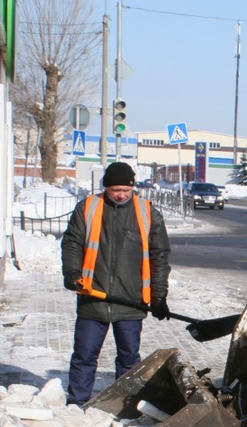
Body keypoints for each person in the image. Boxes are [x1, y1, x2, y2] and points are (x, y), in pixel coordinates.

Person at [61, 162, 171, 406]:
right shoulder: (88, 208)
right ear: (106, 188)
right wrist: (71, 273)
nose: (121, 195)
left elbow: (159, 256)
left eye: (126, 190)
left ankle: (126, 405)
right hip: (94, 297)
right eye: (115, 190)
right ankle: (76, 404)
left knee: (129, 359)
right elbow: (72, 243)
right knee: (84, 355)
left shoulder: (147, 212)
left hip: (131, 300)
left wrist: (159, 297)